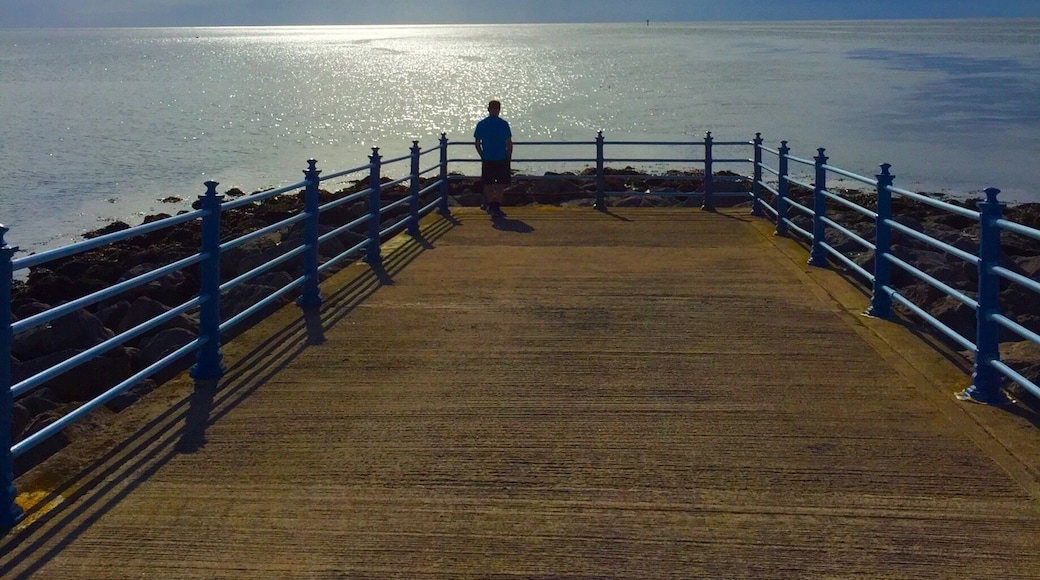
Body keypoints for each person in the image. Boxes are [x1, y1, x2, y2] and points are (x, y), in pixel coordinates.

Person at [473, 100, 513, 218]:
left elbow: (477, 142)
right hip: (502, 157)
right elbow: (509, 142)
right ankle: (496, 206)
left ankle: (491, 204)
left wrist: (482, 155)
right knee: (500, 184)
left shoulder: (481, 124)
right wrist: (509, 156)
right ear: (499, 110)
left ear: (488, 109)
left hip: (488, 157)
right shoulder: (504, 124)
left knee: (488, 184)